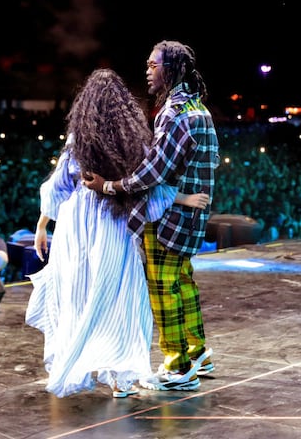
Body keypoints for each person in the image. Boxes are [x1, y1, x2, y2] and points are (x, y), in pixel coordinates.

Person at [25, 68, 210, 399]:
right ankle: (119, 378)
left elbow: (59, 186)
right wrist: (180, 198)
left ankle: (82, 365)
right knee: (119, 298)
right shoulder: (134, 142)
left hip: (75, 229)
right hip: (113, 225)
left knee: (77, 296)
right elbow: (149, 186)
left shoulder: (78, 140)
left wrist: (41, 226)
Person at [83, 40, 221, 392]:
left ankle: (178, 367)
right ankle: (198, 352)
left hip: (168, 216)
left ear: (171, 69)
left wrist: (110, 186)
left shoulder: (175, 114)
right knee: (183, 283)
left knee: (163, 290)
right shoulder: (198, 108)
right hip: (189, 216)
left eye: (153, 65)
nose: (147, 71)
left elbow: (153, 172)